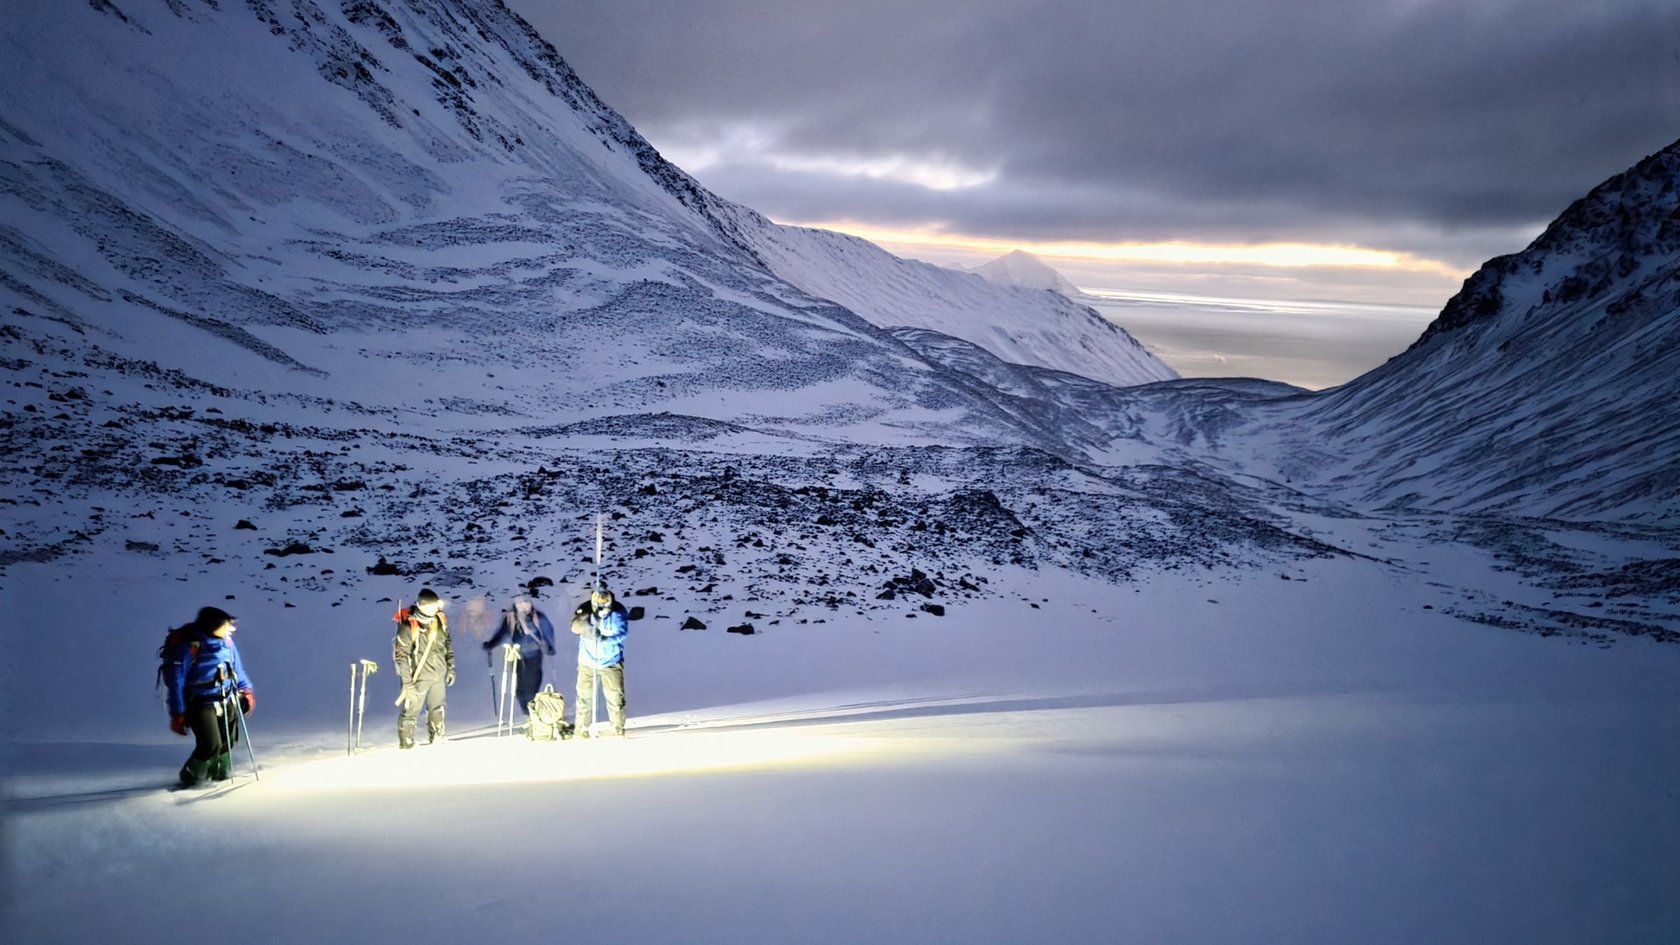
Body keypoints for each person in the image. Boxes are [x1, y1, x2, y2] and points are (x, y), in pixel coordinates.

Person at [161, 606, 254, 786]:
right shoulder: (191, 646)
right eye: (225, 625)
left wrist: (246, 690)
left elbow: (237, 668)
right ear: (213, 626)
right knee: (210, 745)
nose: (230, 628)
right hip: (201, 702)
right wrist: (178, 712)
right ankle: (192, 776)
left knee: (227, 742)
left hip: (227, 698)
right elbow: (176, 681)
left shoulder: (227, 642)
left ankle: (220, 774)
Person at [392, 587, 455, 748]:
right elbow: (401, 657)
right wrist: (407, 684)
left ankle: (438, 736)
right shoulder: (408, 626)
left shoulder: (440, 620)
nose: (435, 609)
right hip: (418, 676)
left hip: (438, 674)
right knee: (411, 711)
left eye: (436, 605)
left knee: (437, 707)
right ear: (421, 606)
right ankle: (406, 744)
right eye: (431, 606)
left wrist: (450, 667)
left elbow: (447, 644)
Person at [483, 596, 556, 718]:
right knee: (519, 688)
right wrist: (492, 644)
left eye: (526, 602)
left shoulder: (538, 617)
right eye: (520, 603)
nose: (523, 606)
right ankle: (528, 712)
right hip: (517, 657)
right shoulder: (511, 618)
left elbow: (547, 631)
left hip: (534, 656)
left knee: (531, 685)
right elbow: (503, 634)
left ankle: (532, 713)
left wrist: (549, 646)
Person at [571, 585, 628, 737]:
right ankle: (581, 728)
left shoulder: (618, 612)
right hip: (587, 661)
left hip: (611, 661)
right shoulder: (585, 608)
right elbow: (575, 627)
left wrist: (604, 640)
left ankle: (617, 728)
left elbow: (621, 634)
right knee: (584, 696)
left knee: (615, 696)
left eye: (605, 605)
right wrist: (590, 623)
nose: (602, 608)